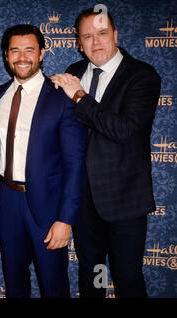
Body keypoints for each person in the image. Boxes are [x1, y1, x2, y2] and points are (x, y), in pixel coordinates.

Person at [50, 8, 161, 298]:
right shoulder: (73, 73)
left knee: (127, 278)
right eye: (87, 36)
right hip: (83, 202)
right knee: (92, 274)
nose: (95, 42)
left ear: (114, 34)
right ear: (79, 41)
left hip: (124, 201)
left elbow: (123, 129)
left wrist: (79, 97)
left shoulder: (141, 76)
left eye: (101, 33)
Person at [0, 24, 86, 298]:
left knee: (53, 285)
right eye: (15, 50)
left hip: (48, 208)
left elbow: (75, 163)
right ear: (6, 55)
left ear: (41, 54)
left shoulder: (62, 95)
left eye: (29, 50)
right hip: (7, 201)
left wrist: (65, 219)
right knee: (14, 282)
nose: (22, 57)